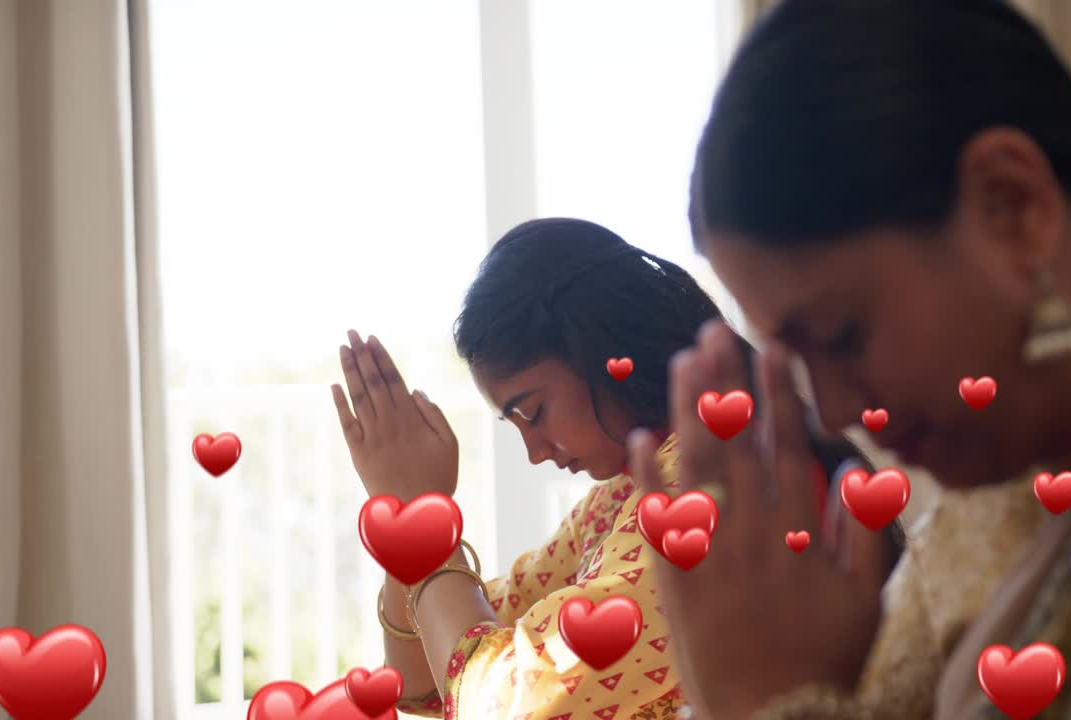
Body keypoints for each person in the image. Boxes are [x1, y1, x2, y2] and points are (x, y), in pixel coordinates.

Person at [626, 1, 1071, 719]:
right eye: (795, 363)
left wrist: (767, 700)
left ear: (1013, 208)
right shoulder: (989, 505)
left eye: (842, 334)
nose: (836, 413)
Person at [331, 218, 896, 719]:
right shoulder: (619, 501)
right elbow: (424, 684)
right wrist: (407, 529)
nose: (535, 451)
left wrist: (421, 523)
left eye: (534, 411)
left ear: (598, 351)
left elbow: (500, 704)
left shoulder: (712, 495)